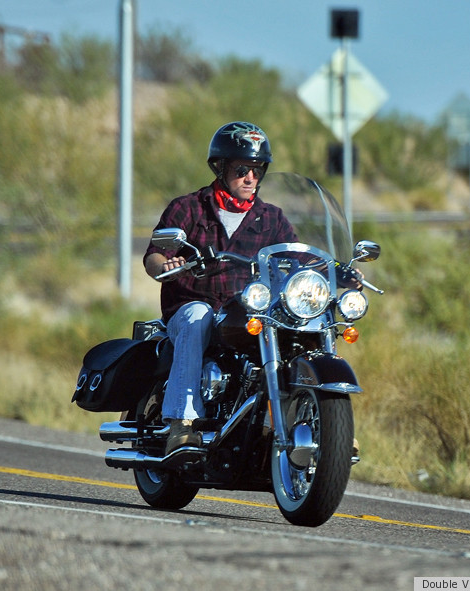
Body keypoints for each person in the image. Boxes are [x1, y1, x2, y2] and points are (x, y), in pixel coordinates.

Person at [144, 121, 362, 455]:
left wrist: (339, 270)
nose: (250, 178)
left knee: (301, 325)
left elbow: (298, 256)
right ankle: (181, 422)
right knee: (197, 316)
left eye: (257, 171)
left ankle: (324, 422)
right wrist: (167, 266)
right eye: (242, 169)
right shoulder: (188, 207)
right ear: (220, 168)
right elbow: (155, 255)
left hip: (247, 307)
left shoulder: (271, 218)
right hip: (193, 303)